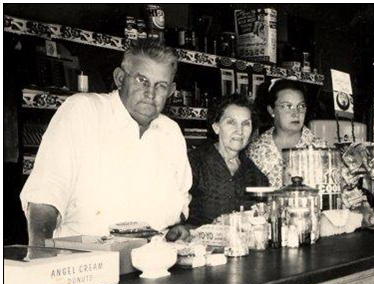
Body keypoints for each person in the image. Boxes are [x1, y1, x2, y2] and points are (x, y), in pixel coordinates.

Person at [20, 40, 192, 246]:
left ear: (171, 90)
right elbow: (46, 193)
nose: (150, 93)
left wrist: (176, 228)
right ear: (120, 78)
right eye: (141, 80)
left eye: (161, 85)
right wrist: (40, 252)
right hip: (85, 264)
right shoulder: (83, 111)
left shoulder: (171, 132)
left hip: (154, 262)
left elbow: (181, 200)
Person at [187, 94, 269, 226]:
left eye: (246, 124)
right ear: (216, 127)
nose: (239, 131)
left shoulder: (256, 176)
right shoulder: (193, 163)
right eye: (231, 122)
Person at [246, 78, 326, 188]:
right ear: (271, 110)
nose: (296, 113)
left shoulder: (320, 148)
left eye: (301, 106)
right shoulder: (256, 150)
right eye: (287, 106)